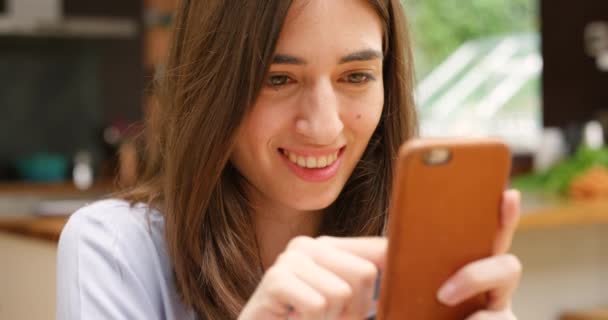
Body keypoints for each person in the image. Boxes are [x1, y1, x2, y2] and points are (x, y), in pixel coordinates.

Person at [56, 0, 522, 319]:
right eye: (278, 79)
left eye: (356, 76)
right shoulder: (116, 250)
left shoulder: (407, 260)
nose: (323, 127)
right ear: (213, 86)